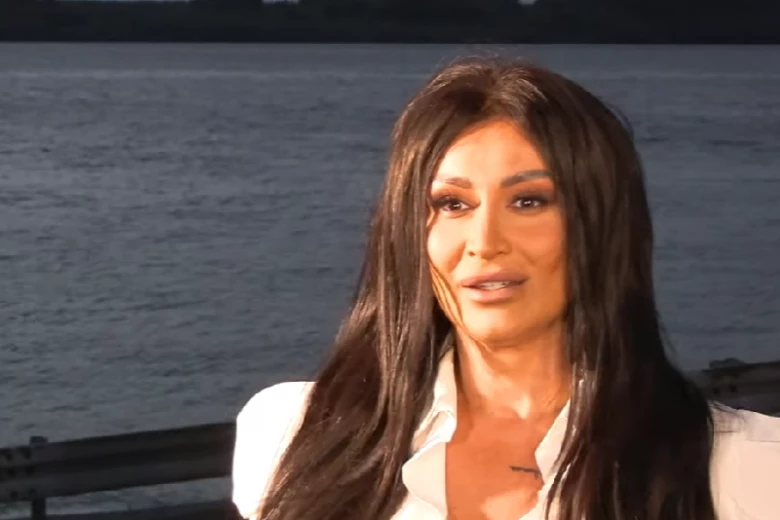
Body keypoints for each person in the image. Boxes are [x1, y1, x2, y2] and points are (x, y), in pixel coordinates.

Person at [231, 57, 780, 520]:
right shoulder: (288, 434)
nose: (484, 242)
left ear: (603, 225)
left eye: (529, 201)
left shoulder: (748, 467)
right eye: (452, 204)